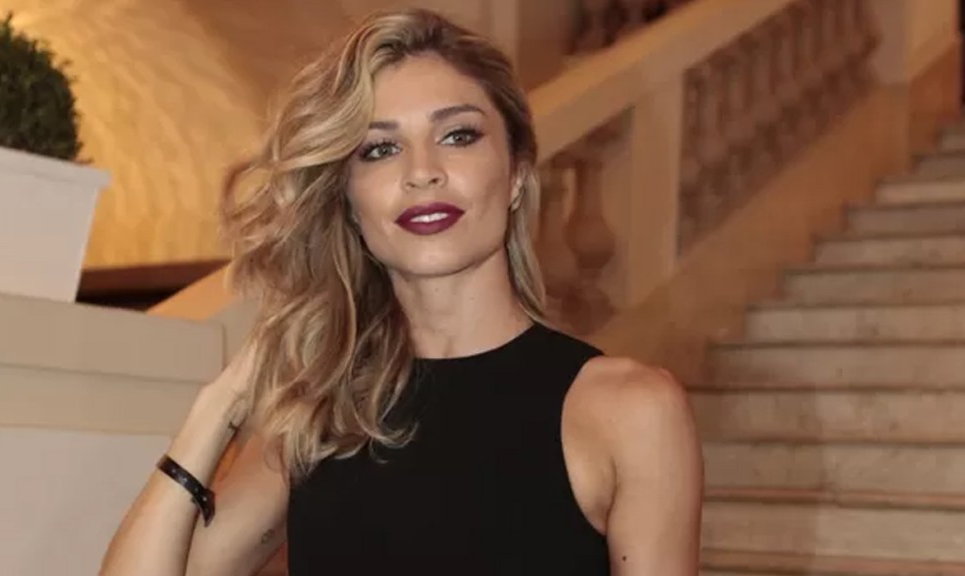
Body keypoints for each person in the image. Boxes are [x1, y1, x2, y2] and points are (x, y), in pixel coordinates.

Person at [100, 7, 703, 576]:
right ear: (348, 202)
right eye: (380, 149)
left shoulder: (630, 409)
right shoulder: (322, 419)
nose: (422, 171)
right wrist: (225, 401)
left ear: (517, 173)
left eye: (458, 135)